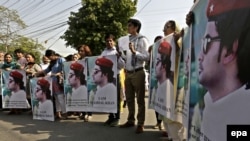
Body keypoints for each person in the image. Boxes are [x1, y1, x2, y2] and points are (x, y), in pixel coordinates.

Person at [195, 0, 250, 140]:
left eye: (207, 43)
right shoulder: (211, 102)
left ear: (230, 50)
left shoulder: (244, 113)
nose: (199, 57)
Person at [119, 18, 150, 134]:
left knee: (140, 100)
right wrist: (120, 55)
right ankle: (130, 120)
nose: (128, 28)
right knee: (130, 99)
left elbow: (147, 57)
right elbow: (125, 59)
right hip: (128, 72)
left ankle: (141, 123)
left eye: (130, 25)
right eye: (128, 25)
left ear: (136, 27)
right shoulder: (126, 40)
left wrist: (134, 52)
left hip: (138, 72)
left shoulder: (142, 40)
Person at [100, 33, 125, 127]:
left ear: (113, 41)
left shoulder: (117, 52)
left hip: (116, 77)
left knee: (116, 98)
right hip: (106, 78)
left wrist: (119, 57)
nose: (109, 42)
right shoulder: (104, 52)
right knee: (109, 97)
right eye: (107, 41)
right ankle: (111, 117)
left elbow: (122, 66)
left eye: (111, 40)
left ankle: (117, 118)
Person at [35, 49, 67, 120]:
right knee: (56, 98)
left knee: (60, 98)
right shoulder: (52, 62)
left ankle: (65, 113)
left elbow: (65, 68)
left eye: (49, 57)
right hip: (53, 82)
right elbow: (47, 70)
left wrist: (60, 73)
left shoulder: (61, 60)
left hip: (59, 81)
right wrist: (38, 73)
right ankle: (58, 113)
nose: (49, 59)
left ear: (53, 55)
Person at [148, 35, 164, 130]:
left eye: (160, 42)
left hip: (164, 81)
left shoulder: (167, 52)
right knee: (156, 102)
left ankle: (163, 124)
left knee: (164, 103)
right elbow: (149, 63)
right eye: (156, 42)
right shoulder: (153, 53)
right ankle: (158, 122)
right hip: (154, 80)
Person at [77, 44, 93, 121]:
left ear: (86, 51)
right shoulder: (79, 60)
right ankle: (83, 113)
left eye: (82, 51)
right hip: (81, 80)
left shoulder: (89, 59)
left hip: (88, 80)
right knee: (82, 97)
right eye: (79, 51)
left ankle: (89, 114)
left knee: (88, 97)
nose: (80, 52)